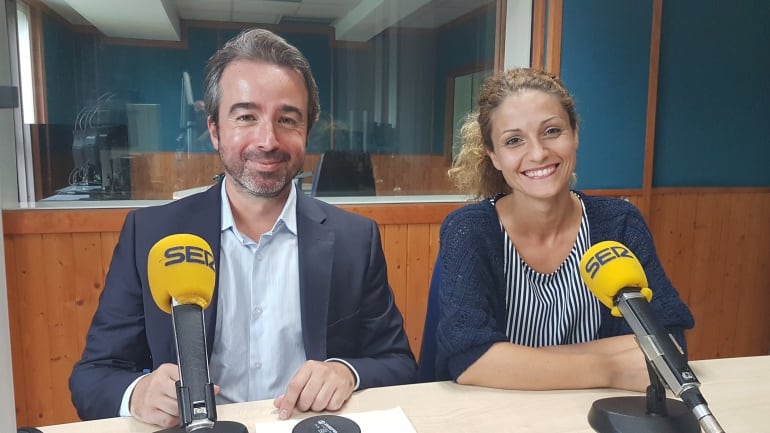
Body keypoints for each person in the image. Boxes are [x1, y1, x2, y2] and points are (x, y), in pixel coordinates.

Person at [69, 28, 417, 427]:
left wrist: (345, 371)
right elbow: (92, 376)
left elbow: (399, 364)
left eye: (287, 119)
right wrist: (138, 394)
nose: (267, 140)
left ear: (306, 131)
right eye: (246, 116)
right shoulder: (150, 235)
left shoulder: (356, 239)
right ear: (215, 129)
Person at [434, 68, 694, 391]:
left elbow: (669, 341)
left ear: (575, 134)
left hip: (598, 413)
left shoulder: (620, 223)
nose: (539, 153)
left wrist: (515, 361)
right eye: (514, 140)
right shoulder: (469, 231)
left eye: (552, 131)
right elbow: (470, 359)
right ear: (494, 156)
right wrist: (611, 368)